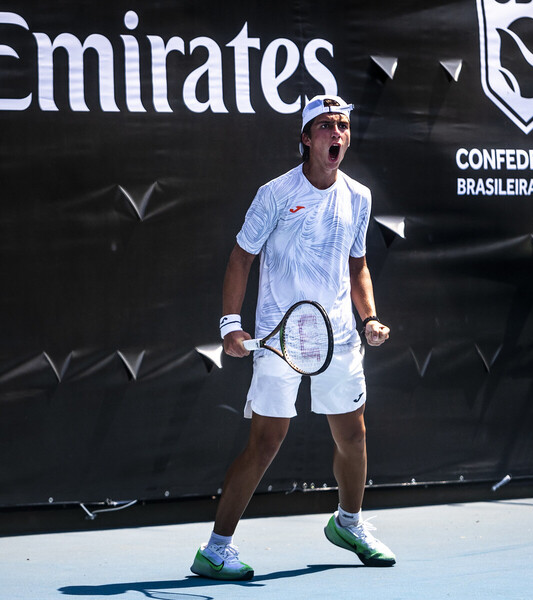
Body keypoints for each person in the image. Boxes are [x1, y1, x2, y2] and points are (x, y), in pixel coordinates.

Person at [190, 95, 395, 581]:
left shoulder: (359, 197)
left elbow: (358, 263)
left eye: (342, 126)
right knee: (266, 441)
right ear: (306, 138)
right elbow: (242, 257)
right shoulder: (274, 195)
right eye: (325, 127)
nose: (336, 135)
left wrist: (369, 318)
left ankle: (348, 523)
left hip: (340, 337)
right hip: (280, 339)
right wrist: (230, 325)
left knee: (353, 435)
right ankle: (215, 549)